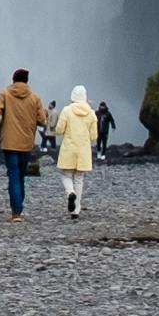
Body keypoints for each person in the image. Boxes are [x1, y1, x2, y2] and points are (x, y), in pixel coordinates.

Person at [0, 65, 48, 216]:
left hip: (9, 142)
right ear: (27, 81)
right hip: (26, 142)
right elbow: (42, 121)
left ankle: (16, 211)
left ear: (13, 80)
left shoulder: (5, 94)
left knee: (13, 175)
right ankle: (18, 207)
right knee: (21, 175)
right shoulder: (35, 97)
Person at [54, 84, 100, 217]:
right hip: (83, 151)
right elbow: (94, 136)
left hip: (69, 148)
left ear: (73, 96)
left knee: (66, 175)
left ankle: (70, 193)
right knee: (79, 179)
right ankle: (76, 210)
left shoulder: (67, 110)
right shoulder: (91, 113)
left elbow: (59, 130)